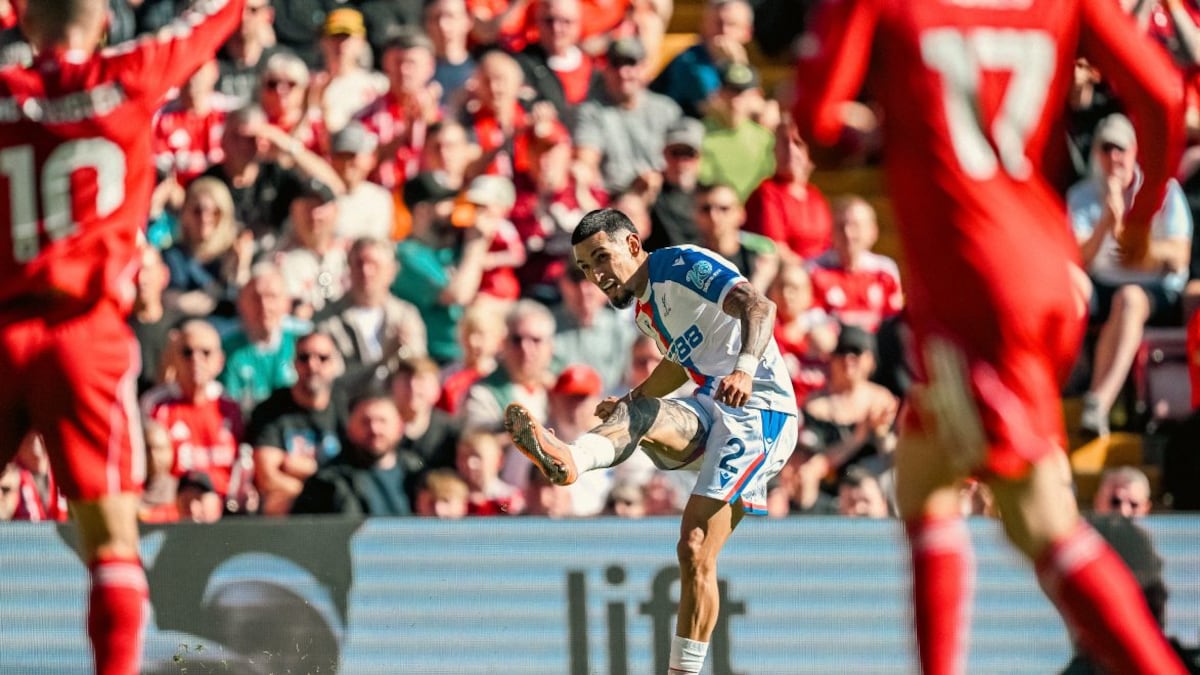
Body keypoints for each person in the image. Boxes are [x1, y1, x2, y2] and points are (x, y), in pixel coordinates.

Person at [792, 1, 1189, 674]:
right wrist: (1144, 218)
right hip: (1048, 269)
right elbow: (1164, 93)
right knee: (923, 477)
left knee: (1040, 521)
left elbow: (818, 121)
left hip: (976, 284)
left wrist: (875, 133)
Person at [0, 2, 243, 672]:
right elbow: (217, 13)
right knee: (111, 543)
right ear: (105, 21)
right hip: (84, 332)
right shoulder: (132, 74)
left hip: (4, 323)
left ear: (24, 22)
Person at [504, 208, 797, 675]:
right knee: (638, 413)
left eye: (602, 258)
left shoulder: (680, 265)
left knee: (695, 545)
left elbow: (759, 307)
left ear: (633, 245)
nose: (596, 275)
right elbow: (680, 362)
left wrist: (744, 367)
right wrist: (631, 399)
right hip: (710, 405)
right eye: (585, 267)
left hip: (759, 412)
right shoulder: (645, 311)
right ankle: (572, 458)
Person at [1067, 113, 1192, 437]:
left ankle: (1098, 403)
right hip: (1101, 284)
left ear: (1135, 151)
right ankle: (1068, 378)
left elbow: (1180, 255)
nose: (1114, 157)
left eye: (1120, 149)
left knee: (1129, 299)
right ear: (1096, 153)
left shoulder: (1163, 190)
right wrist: (1106, 222)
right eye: (1106, 149)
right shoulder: (1081, 196)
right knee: (1067, 285)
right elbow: (1078, 257)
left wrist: (1141, 251)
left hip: (1154, 290)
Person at [246, 331, 347, 517]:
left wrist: (307, 469)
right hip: (292, 512)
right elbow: (267, 477)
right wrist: (319, 491)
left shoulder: (346, 407)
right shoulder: (271, 410)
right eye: (304, 357)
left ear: (335, 364)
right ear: (294, 363)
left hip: (339, 509)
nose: (312, 365)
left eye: (323, 358)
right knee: (275, 501)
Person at [290, 390, 412, 517]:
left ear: (400, 427)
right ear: (349, 428)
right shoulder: (327, 482)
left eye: (382, 421)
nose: (374, 429)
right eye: (365, 422)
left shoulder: (415, 475)